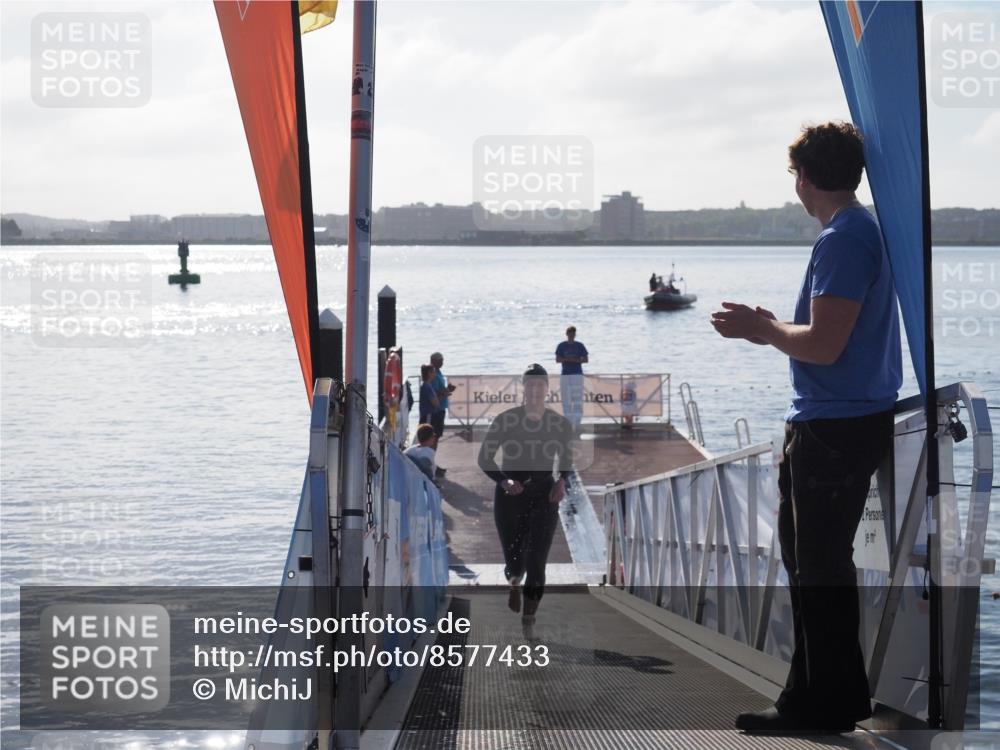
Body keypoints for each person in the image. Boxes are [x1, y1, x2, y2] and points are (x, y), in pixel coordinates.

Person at [711, 121, 901, 734]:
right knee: (813, 563)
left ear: (805, 178)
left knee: (818, 566)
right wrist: (773, 329)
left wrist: (762, 330)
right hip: (838, 421)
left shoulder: (844, 238)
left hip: (835, 427)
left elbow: (823, 345)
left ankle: (823, 703)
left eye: (794, 173)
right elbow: (829, 337)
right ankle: (818, 697)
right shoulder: (858, 231)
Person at [478, 364, 574, 637]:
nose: (534, 390)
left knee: (537, 562)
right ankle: (514, 582)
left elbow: (566, 458)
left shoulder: (559, 424)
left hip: (544, 495)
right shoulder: (506, 420)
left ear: (547, 389)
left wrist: (562, 480)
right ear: (523, 388)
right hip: (511, 495)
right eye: (530, 385)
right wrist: (504, 481)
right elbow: (485, 458)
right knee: (515, 560)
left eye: (539, 385)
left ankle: (528, 622)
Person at [554, 326, 588, 429]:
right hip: (565, 374)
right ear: (567, 334)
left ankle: (577, 423)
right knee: (566, 399)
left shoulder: (579, 345)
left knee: (577, 399)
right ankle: (568, 422)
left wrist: (575, 360)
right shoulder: (561, 345)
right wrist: (567, 359)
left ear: (575, 334)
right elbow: (557, 359)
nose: (571, 335)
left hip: (577, 374)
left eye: (573, 333)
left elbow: (586, 359)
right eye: (570, 333)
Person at [429, 352, 455, 477]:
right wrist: (446, 391)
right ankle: (431, 463)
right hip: (436, 411)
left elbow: (439, 391)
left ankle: (432, 462)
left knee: (436, 437)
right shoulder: (433, 373)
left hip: (440, 410)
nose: (442, 362)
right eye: (441, 360)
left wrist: (447, 390)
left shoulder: (438, 372)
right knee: (433, 438)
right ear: (434, 361)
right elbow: (434, 393)